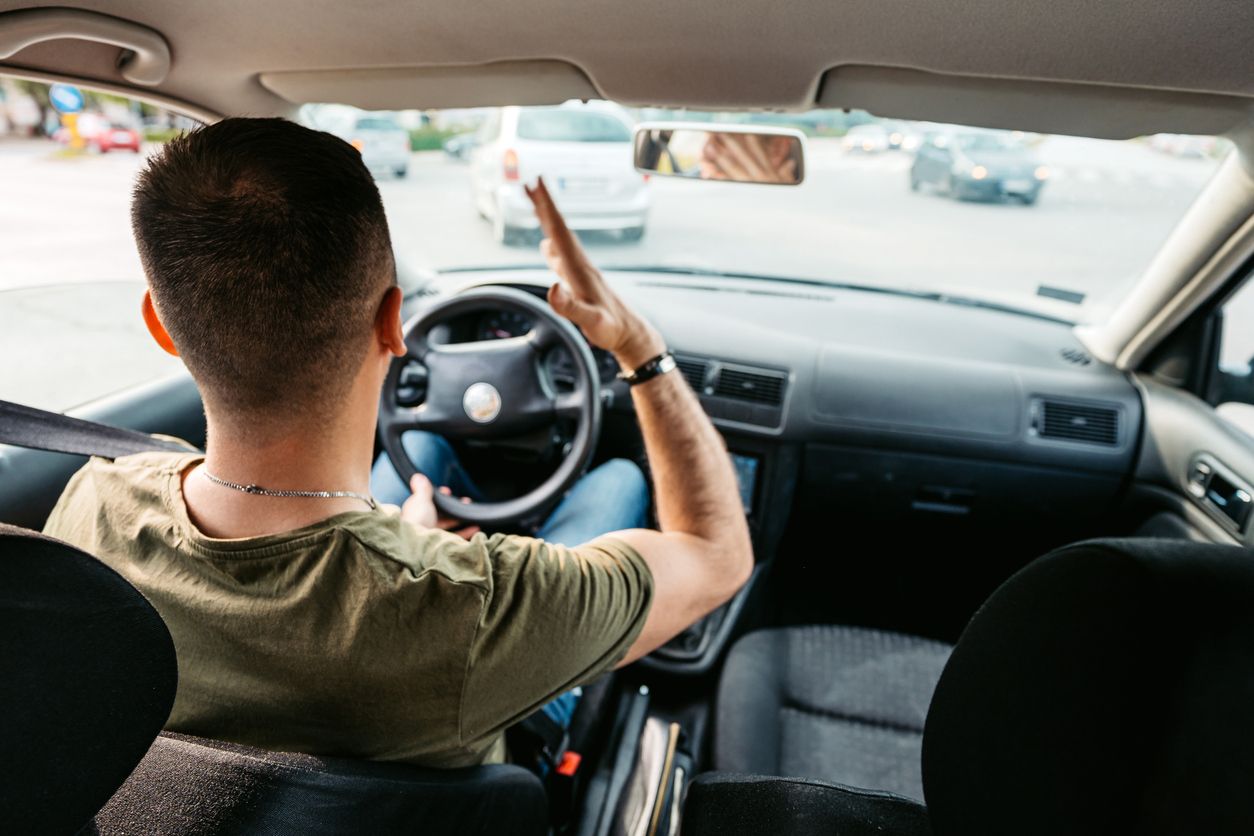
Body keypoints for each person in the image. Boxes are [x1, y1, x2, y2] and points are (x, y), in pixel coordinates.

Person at [43, 117, 753, 769]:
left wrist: (399, 541)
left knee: (428, 466)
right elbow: (717, 555)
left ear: (161, 326)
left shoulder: (95, 500)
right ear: (394, 322)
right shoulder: (467, 607)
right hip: (484, 702)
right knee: (619, 482)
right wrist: (639, 347)